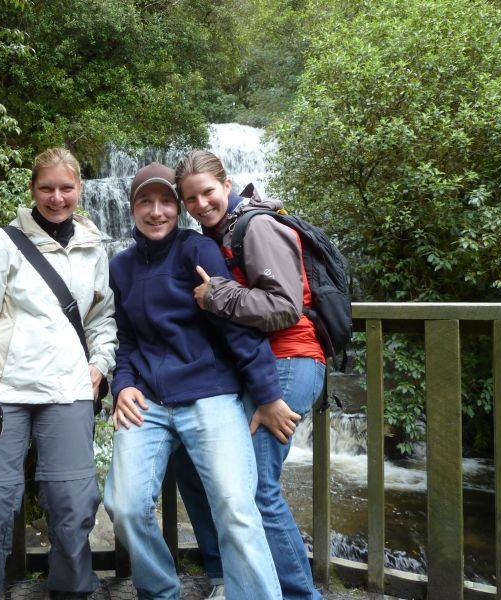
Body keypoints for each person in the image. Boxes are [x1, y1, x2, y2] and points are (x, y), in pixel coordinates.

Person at [103, 162, 284, 600]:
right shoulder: (121, 267)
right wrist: (122, 384)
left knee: (237, 509)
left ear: (178, 208)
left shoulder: (197, 251)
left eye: (166, 201)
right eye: (146, 202)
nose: (157, 211)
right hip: (146, 401)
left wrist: (267, 394)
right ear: (131, 209)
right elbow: (125, 339)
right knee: (124, 506)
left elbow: (233, 325)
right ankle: (160, 591)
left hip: (210, 395)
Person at [0, 147, 117, 600]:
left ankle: (71, 590)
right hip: (4, 390)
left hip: (70, 389)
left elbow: (102, 317)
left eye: (66, 188)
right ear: (32, 190)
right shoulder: (2, 243)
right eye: (47, 188)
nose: (57, 197)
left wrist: (100, 365)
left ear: (80, 190)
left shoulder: (92, 247)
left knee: (73, 501)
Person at [173, 149, 326, 600]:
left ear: (227, 184)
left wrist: (217, 294)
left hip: (289, 363)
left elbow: (284, 308)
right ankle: (232, 578)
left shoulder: (255, 225)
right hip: (257, 368)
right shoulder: (217, 234)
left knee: (258, 487)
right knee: (201, 464)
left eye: (207, 193)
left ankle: (300, 595)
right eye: (191, 199)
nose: (201, 205)